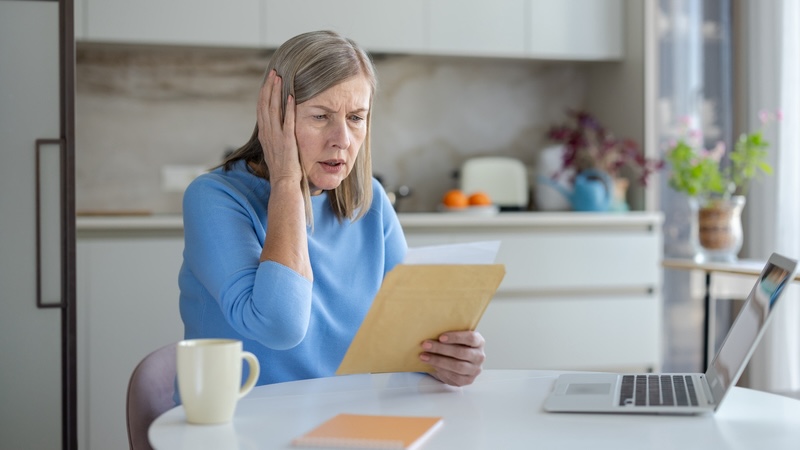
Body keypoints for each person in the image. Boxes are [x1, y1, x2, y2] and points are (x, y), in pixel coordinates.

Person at [178, 30, 485, 388]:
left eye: (356, 118)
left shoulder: (370, 202)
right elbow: (280, 326)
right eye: (321, 116)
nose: (342, 139)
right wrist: (287, 181)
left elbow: (404, 344)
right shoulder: (214, 198)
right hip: (237, 427)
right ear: (274, 119)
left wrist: (448, 358)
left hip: (341, 423)